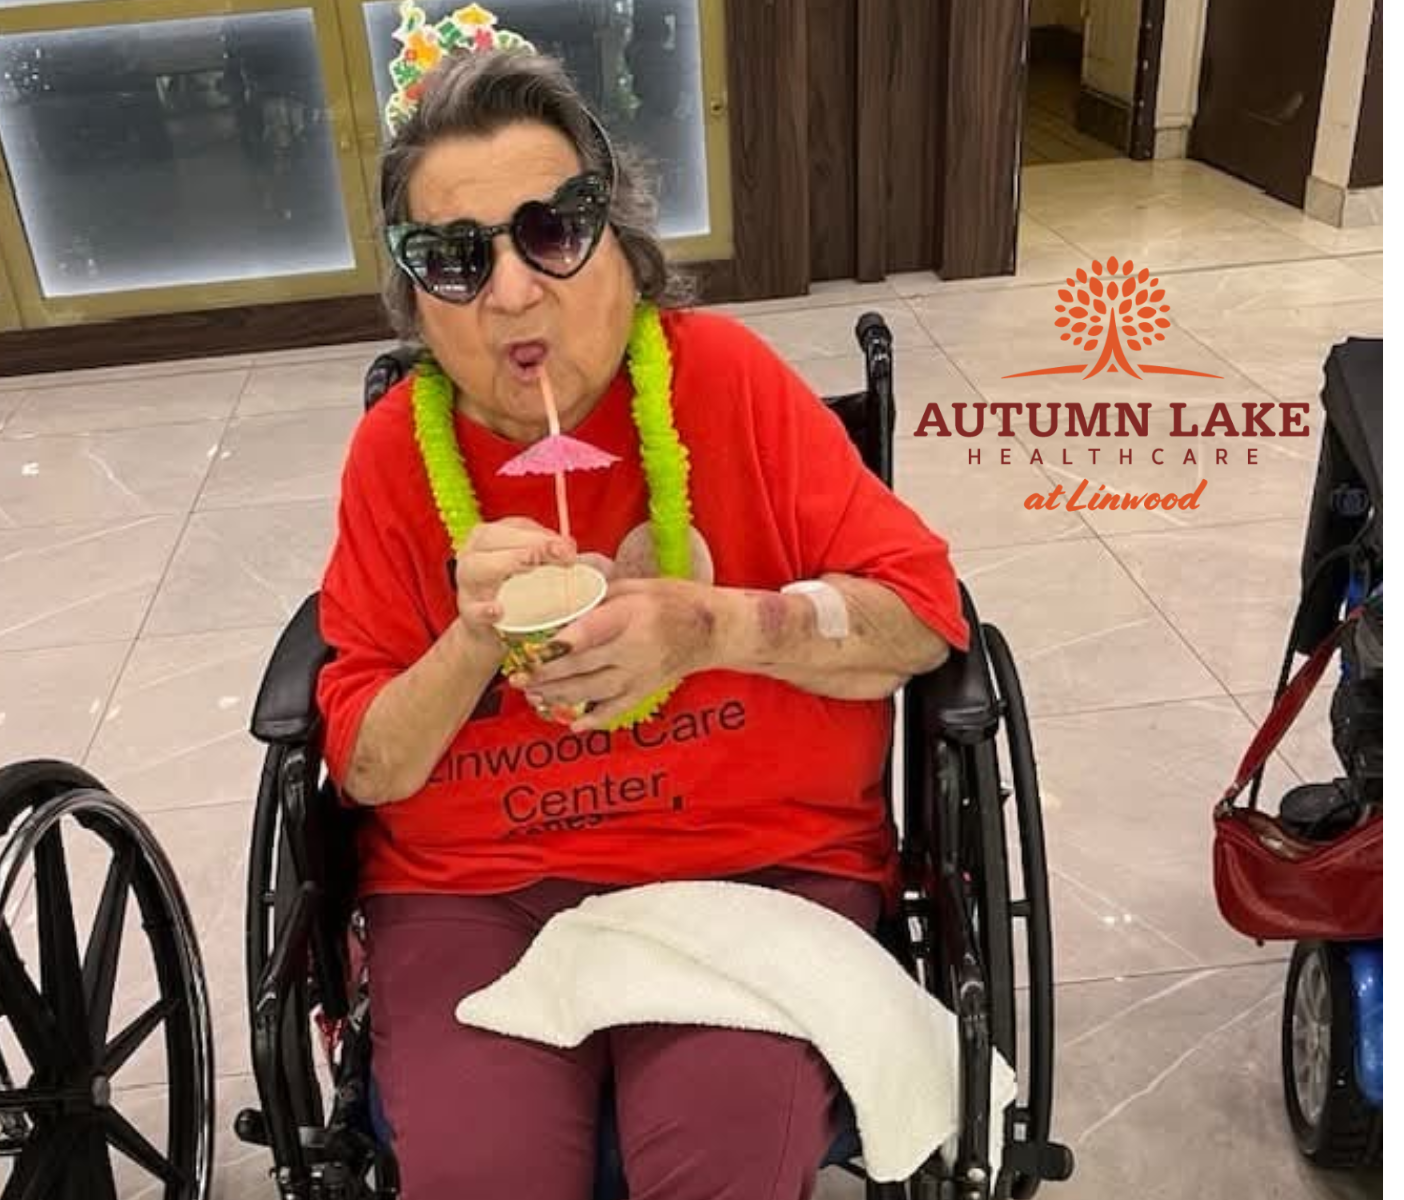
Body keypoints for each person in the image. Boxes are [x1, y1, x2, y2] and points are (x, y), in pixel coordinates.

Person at [314, 46, 967, 1200]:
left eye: (553, 232)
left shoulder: (727, 381)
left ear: (619, 242)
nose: (513, 292)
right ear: (417, 297)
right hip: (479, 887)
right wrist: (471, 640)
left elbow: (919, 620)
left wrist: (716, 627)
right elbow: (366, 768)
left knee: (720, 1163)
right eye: (457, 260)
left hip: (754, 868)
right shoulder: (394, 457)